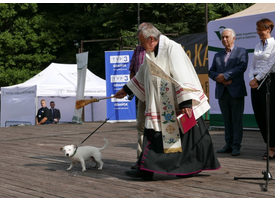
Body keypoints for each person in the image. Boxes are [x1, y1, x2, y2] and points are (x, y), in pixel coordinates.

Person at [114, 22, 220, 181]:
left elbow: (182, 74)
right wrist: (127, 89)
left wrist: (185, 103)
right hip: (161, 104)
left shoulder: (172, 48)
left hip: (176, 104)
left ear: (151, 39)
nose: (142, 46)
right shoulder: (151, 52)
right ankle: (148, 168)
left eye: (143, 42)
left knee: (186, 136)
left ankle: (152, 169)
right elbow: (143, 73)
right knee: (156, 133)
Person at [208, 28, 248, 156]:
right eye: (222, 37)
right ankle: (228, 145)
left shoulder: (242, 52)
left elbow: (241, 67)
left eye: (227, 37)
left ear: (233, 38)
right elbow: (211, 71)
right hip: (222, 92)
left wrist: (224, 76)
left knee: (236, 121)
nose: (224, 39)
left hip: (236, 91)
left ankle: (236, 146)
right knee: (227, 120)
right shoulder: (217, 55)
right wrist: (219, 78)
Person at [249, 18, 275, 160]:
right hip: (256, 83)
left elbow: (270, 65)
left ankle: (272, 148)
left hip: (269, 82)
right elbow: (252, 64)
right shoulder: (258, 45)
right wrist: (251, 79)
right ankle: (269, 144)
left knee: (270, 115)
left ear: (268, 29)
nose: (258, 32)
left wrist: (257, 78)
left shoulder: (274, 44)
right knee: (259, 114)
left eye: (260, 29)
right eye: (257, 29)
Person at [129, 44, 146, 163]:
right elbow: (133, 71)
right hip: (142, 95)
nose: (140, 42)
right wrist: (130, 89)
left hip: (160, 95)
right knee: (141, 126)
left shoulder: (164, 47)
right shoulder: (138, 49)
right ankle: (141, 160)